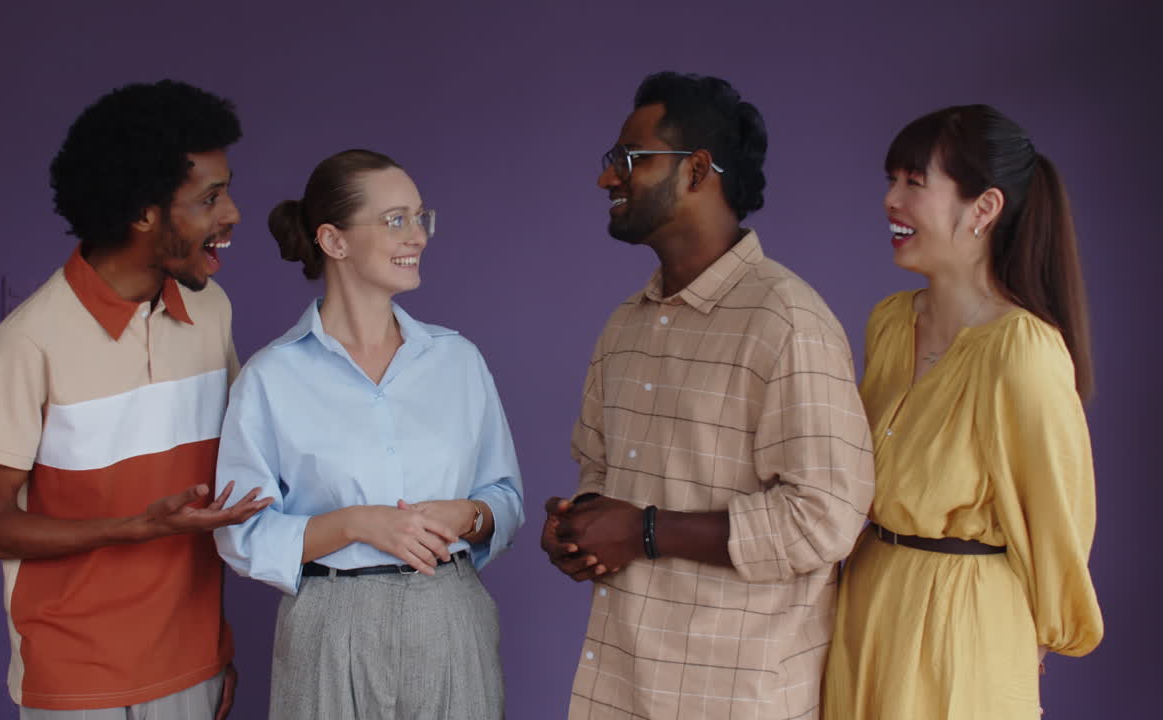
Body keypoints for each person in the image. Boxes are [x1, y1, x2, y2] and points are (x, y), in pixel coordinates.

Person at [540, 72, 875, 720]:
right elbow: (599, 467)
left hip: (735, 699)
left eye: (629, 160)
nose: (608, 179)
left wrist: (641, 531)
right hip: (618, 689)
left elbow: (825, 517)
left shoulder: (786, 321)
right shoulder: (627, 323)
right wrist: (579, 526)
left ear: (696, 171)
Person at [0, 80, 271, 720]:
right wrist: (138, 527)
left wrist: (217, 648)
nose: (232, 212)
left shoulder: (211, 311)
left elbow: (237, 471)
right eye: (209, 198)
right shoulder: (30, 340)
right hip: (77, 682)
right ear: (141, 214)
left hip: (193, 666)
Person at [213, 149, 524, 720]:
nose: (418, 237)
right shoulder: (271, 377)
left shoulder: (457, 360)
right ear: (334, 241)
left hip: (450, 608)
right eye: (396, 220)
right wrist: (357, 523)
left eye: (420, 218)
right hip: (330, 623)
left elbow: (505, 495)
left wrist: (467, 516)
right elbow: (244, 533)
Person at [822, 104, 1103, 719]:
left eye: (914, 183)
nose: (891, 199)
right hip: (865, 604)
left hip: (962, 626)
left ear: (984, 208)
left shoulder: (1021, 351)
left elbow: (1061, 520)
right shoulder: (891, 322)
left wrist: (1035, 634)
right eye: (891, 180)